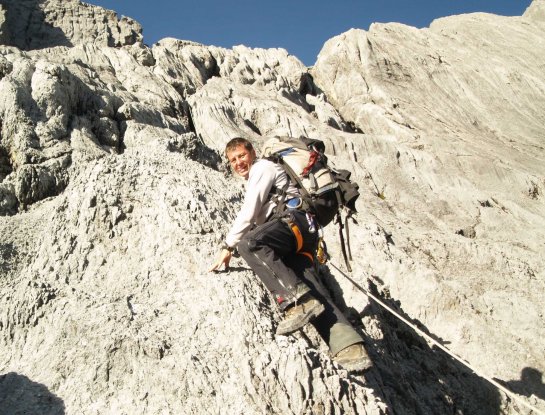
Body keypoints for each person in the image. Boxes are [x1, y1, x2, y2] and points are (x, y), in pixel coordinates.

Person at [209, 137, 372, 372]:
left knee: (249, 244)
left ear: (252, 152)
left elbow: (249, 211)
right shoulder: (264, 170)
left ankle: (296, 302)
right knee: (311, 286)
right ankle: (350, 348)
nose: (239, 163)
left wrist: (227, 246)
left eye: (242, 156)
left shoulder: (262, 167)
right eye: (233, 160)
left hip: (293, 222)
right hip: (303, 232)